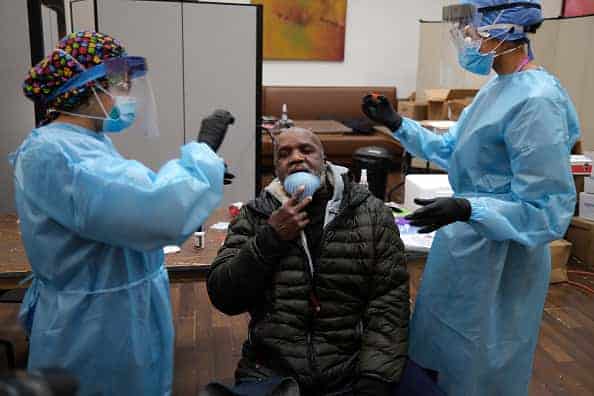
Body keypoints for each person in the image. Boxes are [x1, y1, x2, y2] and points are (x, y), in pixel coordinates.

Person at [362, 1, 580, 395]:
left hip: (503, 260)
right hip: (465, 245)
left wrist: (470, 207)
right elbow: (452, 149)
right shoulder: (497, 88)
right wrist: (396, 123)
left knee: (482, 364)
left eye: (473, 30)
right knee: (439, 349)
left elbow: (547, 211)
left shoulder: (537, 101)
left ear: (507, 31)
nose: (466, 39)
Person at [9, 31, 234, 396]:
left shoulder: (81, 144)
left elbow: (126, 196)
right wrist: (203, 152)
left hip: (108, 313)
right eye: (117, 84)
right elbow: (158, 211)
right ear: (86, 87)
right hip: (94, 329)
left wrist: (195, 174)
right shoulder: (60, 154)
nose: (125, 95)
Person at [205, 127, 409, 396]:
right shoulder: (255, 216)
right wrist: (269, 240)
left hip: (352, 367)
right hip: (271, 369)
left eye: (306, 150)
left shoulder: (371, 213)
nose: (296, 158)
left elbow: (389, 300)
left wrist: (375, 376)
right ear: (276, 169)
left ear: (324, 160)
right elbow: (224, 296)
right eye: (284, 154)